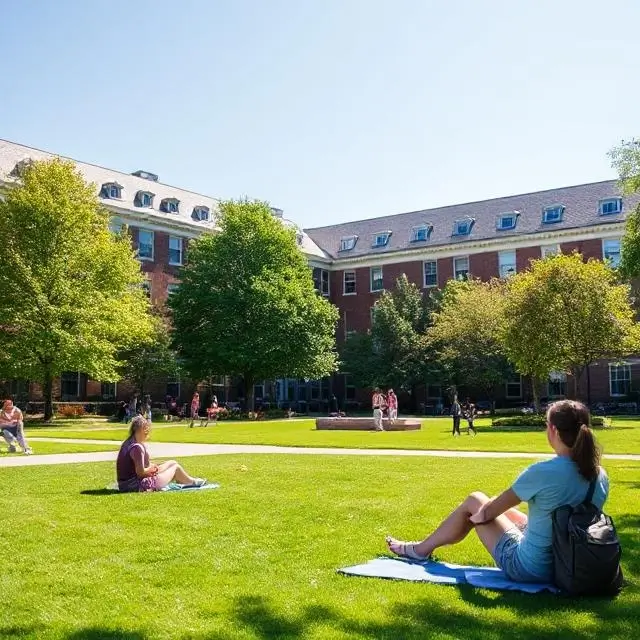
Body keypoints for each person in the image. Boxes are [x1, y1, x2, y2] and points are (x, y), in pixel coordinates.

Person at [385, 400, 609, 585]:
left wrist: (477, 517)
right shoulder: (599, 475)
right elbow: (564, 521)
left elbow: (489, 512)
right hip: (571, 565)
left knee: (476, 500)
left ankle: (420, 550)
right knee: (506, 512)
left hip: (532, 569)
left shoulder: (543, 472)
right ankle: (422, 548)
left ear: (553, 430)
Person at [116, 415, 207, 492]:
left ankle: (188, 481)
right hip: (136, 485)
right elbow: (140, 473)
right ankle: (192, 482)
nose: (148, 433)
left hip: (126, 484)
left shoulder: (128, 443)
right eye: (146, 430)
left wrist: (153, 467)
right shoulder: (137, 447)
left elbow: (142, 467)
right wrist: (152, 469)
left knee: (172, 462)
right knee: (175, 468)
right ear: (141, 430)